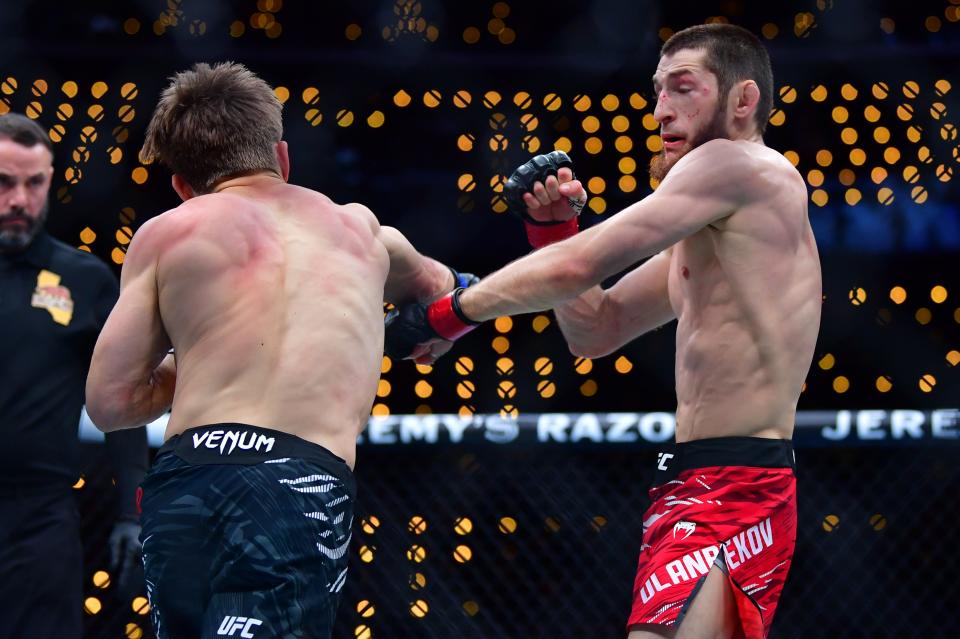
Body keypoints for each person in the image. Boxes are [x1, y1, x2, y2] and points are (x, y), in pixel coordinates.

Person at [384, 24, 821, 639]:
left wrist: (448, 313)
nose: (661, 108)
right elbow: (597, 328)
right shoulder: (715, 233)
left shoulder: (740, 164)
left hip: (732, 486)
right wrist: (554, 230)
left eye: (683, 88)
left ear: (743, 101)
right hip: (703, 479)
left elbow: (580, 268)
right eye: (657, 90)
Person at [84, 61, 476, 639]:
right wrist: (439, 329)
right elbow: (456, 292)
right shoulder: (365, 233)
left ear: (181, 184)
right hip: (296, 481)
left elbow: (111, 401)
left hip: (188, 476)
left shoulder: (169, 232)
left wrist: (199, 361)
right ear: (283, 157)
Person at [0, 112, 149, 638]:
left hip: (40, 516)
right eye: (4, 183)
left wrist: (133, 510)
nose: (19, 199)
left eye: (34, 182)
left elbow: (125, 398)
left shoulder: (82, 280)